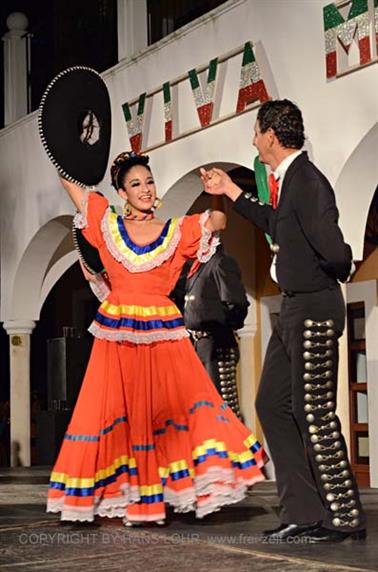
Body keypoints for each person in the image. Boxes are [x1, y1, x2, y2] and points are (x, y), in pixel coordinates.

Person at [47, 151, 266, 525]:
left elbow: (219, 220)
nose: (145, 190)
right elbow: (71, 181)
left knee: (176, 407)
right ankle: (131, 495)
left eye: (149, 182)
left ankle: (161, 492)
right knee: (116, 411)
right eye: (135, 184)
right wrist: (75, 138)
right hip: (118, 336)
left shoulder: (177, 230)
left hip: (163, 335)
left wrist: (213, 211)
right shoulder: (106, 224)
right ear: (121, 192)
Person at [200, 99, 366, 543]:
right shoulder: (287, 182)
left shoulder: (308, 182)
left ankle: (343, 516)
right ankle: (303, 511)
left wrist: (340, 265)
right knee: (272, 404)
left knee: (314, 412)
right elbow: (274, 221)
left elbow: (333, 250)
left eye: (256, 132)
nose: (253, 141)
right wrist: (232, 192)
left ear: (272, 135)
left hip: (314, 307)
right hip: (292, 308)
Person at [171, 244, 249, 418]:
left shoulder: (220, 262)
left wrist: (223, 327)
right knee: (202, 406)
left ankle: (231, 445)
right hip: (198, 344)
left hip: (216, 343)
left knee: (222, 406)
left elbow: (236, 303)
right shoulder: (197, 266)